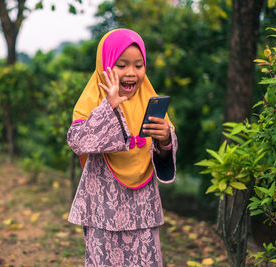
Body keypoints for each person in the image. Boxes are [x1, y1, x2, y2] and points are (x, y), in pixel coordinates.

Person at [67, 28, 177, 266]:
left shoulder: (149, 97)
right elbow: (77, 141)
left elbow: (165, 147)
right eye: (121, 64)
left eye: (139, 65)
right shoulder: (92, 100)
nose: (131, 73)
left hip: (142, 207)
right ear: (104, 65)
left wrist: (166, 140)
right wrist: (108, 107)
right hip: (103, 207)